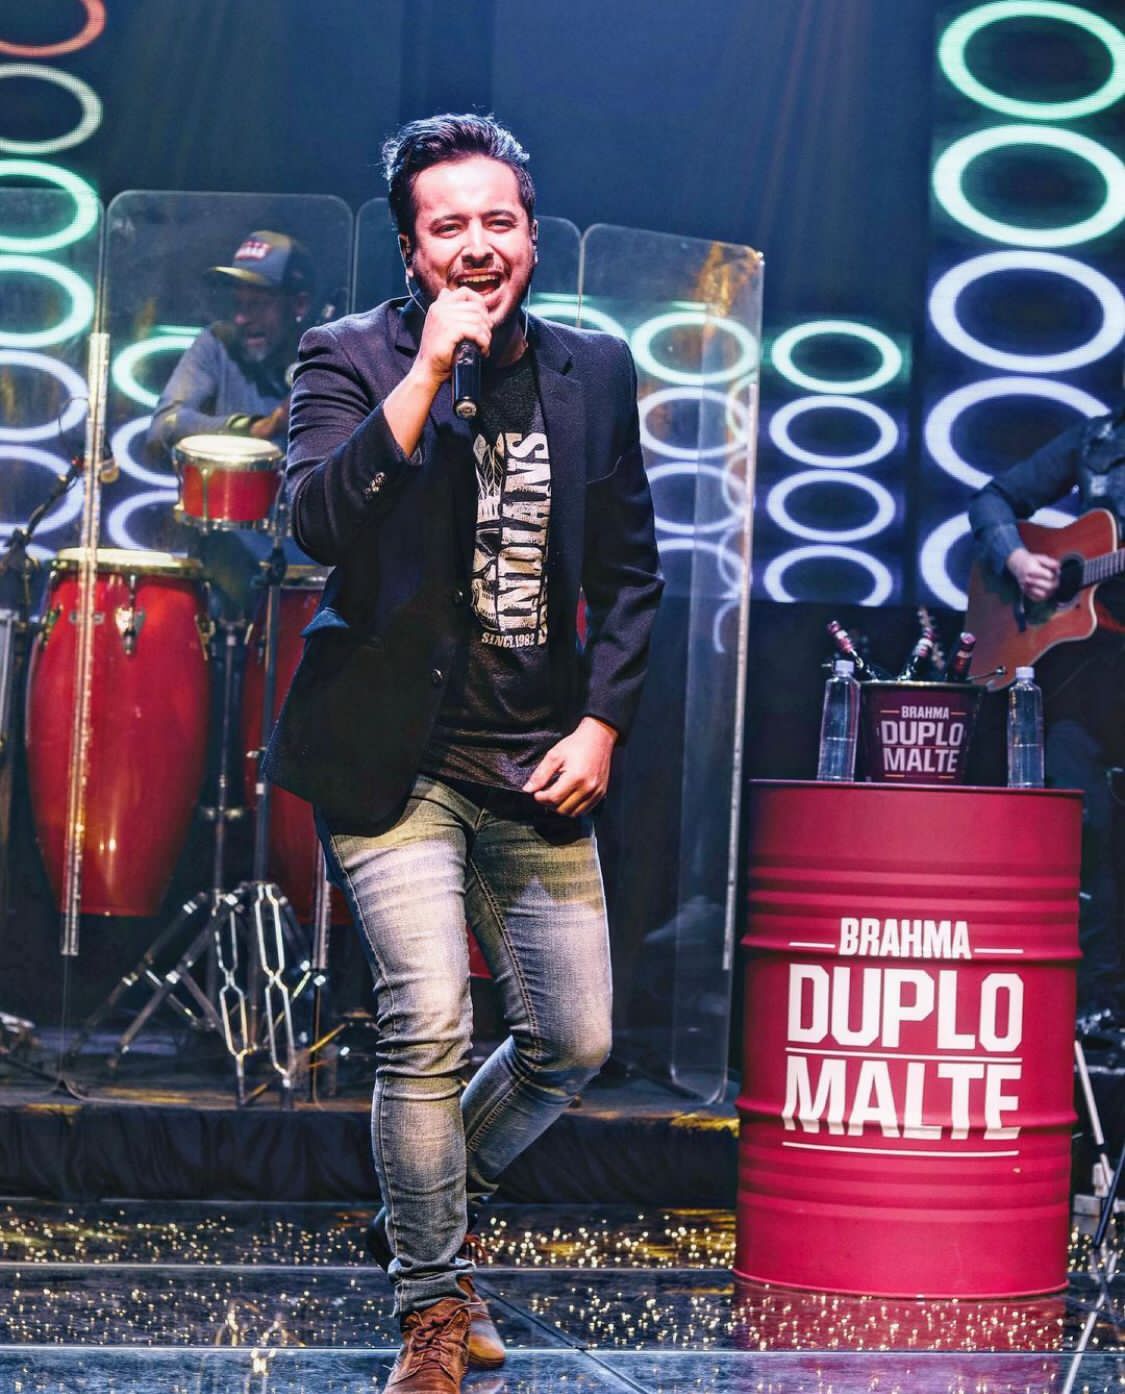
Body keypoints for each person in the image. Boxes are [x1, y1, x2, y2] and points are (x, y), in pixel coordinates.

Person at [263, 113, 662, 1392]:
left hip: (534, 752)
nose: (478, 244)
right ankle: (432, 1302)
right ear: (412, 251)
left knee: (573, 1041)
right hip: (390, 758)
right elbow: (317, 523)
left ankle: (418, 1205)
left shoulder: (597, 370)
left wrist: (603, 720)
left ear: (532, 237)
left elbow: (632, 572)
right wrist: (428, 373)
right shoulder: (346, 356)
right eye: (450, 226)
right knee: (428, 1017)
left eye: (500, 220)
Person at [969, 400, 1125, 1038]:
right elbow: (992, 500)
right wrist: (1017, 560)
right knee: (1082, 826)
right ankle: (1093, 1007)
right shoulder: (1099, 437)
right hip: (1082, 678)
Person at [145, 231, 316, 615]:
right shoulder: (217, 345)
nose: (242, 318)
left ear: (299, 304)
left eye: (258, 305)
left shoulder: (331, 358)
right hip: (222, 577)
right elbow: (162, 429)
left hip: (307, 586)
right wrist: (253, 428)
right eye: (238, 304)